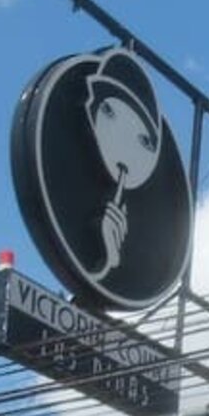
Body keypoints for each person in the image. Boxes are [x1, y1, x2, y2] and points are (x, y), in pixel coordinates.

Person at [82, 51, 163, 280]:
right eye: (109, 112)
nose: (124, 148)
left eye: (144, 141)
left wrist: (110, 258)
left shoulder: (156, 235)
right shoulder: (60, 185)